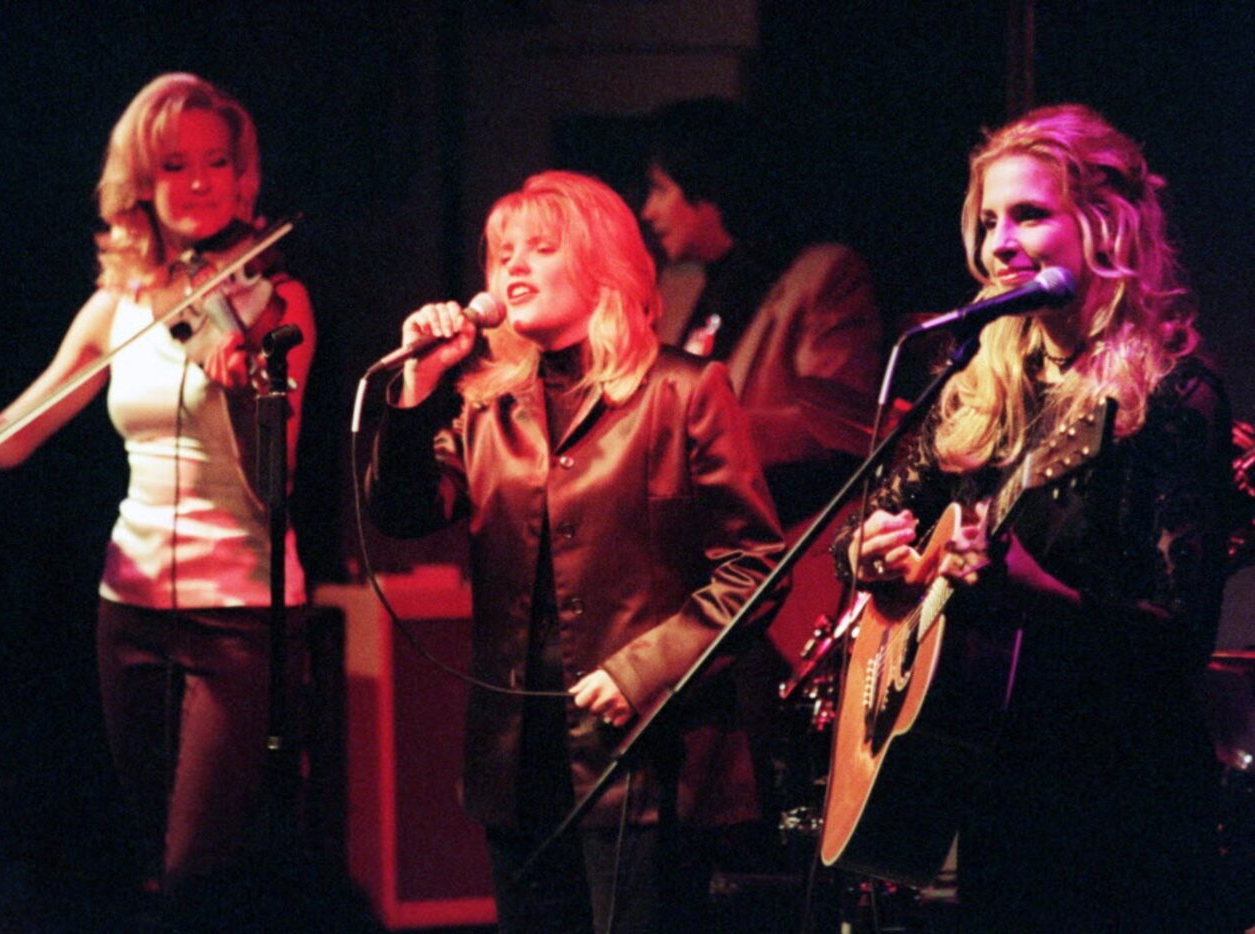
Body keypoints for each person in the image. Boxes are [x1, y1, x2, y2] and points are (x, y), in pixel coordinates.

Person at [0, 73, 317, 901]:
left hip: (238, 616)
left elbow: (275, 483)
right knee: (151, 858)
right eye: (175, 164)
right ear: (141, 181)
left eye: (217, 163)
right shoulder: (118, 304)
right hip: (127, 612)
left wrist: (245, 392)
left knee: (195, 870)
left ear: (245, 177)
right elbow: (20, 432)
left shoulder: (277, 300)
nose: (199, 182)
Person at [834, 104, 1228, 930]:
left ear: (1105, 224)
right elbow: (869, 525)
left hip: (1126, 798)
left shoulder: (1170, 397)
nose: (1000, 243)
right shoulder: (973, 377)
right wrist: (866, 556)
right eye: (987, 221)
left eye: (1030, 214)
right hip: (1001, 786)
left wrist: (1039, 592)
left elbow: (1180, 636)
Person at [365, 169, 789, 933]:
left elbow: (756, 570)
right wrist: (417, 388)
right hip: (518, 768)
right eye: (501, 255)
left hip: (647, 763)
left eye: (540, 248)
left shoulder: (684, 392)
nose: (512, 268)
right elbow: (402, 514)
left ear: (603, 266)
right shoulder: (486, 408)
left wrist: (642, 671)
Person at [639, 97, 884, 864]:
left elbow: (839, 425)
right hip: (686, 581)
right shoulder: (676, 288)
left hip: (787, 577)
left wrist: (707, 432)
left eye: (659, 187)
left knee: (766, 812)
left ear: (707, 187)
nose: (647, 210)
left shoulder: (822, 275)